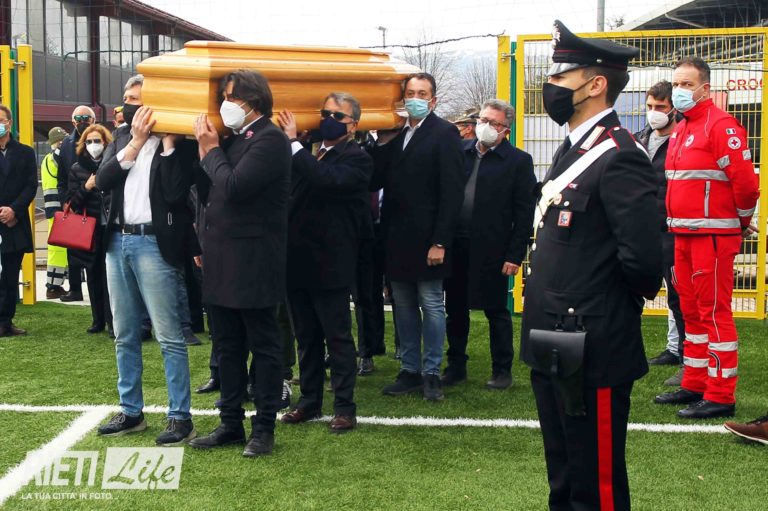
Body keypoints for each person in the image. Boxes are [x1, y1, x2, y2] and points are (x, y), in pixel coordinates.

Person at [519, 20, 662, 511]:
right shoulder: (573, 147)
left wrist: (604, 309)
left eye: (561, 77)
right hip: (553, 334)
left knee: (595, 482)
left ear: (596, 83)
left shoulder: (620, 155)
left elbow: (643, 258)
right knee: (563, 471)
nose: (551, 86)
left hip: (591, 341)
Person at [188, 70, 290, 457]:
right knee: (227, 346)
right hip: (220, 258)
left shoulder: (270, 140)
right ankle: (230, 422)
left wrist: (210, 150)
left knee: (263, 346)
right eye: (223, 97)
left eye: (231, 97)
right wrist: (200, 150)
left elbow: (234, 187)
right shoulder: (232, 140)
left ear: (254, 100)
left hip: (254, 261)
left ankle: (263, 428)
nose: (225, 104)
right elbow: (209, 190)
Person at [654, 57, 760, 419]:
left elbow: (747, 186)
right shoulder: (682, 127)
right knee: (690, 311)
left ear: (705, 89)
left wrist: (739, 221)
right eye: (676, 84)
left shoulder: (721, 126)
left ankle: (720, 393)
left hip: (711, 236)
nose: (679, 91)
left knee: (714, 313)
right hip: (682, 234)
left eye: (686, 84)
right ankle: (695, 382)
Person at [95, 74, 195, 445]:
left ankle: (180, 417)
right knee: (125, 334)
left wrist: (167, 146)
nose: (130, 104)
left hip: (154, 243)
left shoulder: (178, 143)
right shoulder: (121, 137)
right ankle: (131, 411)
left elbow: (176, 193)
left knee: (168, 335)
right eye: (127, 97)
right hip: (117, 241)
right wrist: (136, 142)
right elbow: (102, 179)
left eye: (136, 98)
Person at [277, 92, 373, 433]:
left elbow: (327, 180)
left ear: (353, 125)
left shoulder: (358, 158)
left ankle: (344, 407)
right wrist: (298, 145)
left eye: (337, 116)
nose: (328, 119)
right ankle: (310, 401)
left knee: (337, 337)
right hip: (297, 258)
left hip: (332, 261)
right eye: (324, 113)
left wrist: (294, 144)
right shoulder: (311, 151)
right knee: (306, 336)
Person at [370, 72, 464, 401]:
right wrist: (382, 141)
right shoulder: (397, 135)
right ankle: (409, 369)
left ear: (433, 100)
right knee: (404, 306)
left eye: (422, 93)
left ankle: (432, 372)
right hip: (397, 238)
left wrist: (440, 241)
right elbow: (376, 179)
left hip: (429, 240)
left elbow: (452, 191)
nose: (415, 99)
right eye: (410, 93)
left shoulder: (445, 133)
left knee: (432, 305)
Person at [443, 99, 536, 390]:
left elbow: (524, 213)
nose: (486, 126)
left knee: (496, 310)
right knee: (455, 308)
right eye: (483, 120)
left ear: (506, 129)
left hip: (493, 249)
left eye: (494, 123)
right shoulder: (460, 151)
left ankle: (502, 370)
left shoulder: (518, 161)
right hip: (455, 244)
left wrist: (515, 255)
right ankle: (455, 366)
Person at [634, 80, 686, 387]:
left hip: (673, 229)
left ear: (673, 109)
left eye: (660, 107)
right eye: (650, 106)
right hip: (643, 228)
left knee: (679, 296)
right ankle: (671, 348)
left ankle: (688, 359)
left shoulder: (684, 138)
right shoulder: (641, 138)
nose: (654, 112)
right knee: (635, 289)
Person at [64, 124, 113, 335]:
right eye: (89, 141)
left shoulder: (112, 164)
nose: (94, 145)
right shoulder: (77, 168)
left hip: (110, 227)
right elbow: (72, 203)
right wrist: (86, 187)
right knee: (93, 274)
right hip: (89, 229)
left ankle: (112, 321)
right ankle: (97, 319)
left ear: (105, 143)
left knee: (111, 275)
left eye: (97, 141)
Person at [0, 104, 37, 337]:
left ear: (9, 123)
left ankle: (5, 321)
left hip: (15, 222)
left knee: (11, 274)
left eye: (1, 120)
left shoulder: (25, 152)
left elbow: (31, 186)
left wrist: (14, 209)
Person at [58, 105, 96, 303]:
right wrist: (65, 201)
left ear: (93, 120)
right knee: (72, 247)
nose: (82, 121)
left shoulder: (98, 139)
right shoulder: (66, 144)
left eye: (86, 117)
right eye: (79, 118)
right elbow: (61, 177)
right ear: (73, 121)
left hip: (93, 202)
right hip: (73, 203)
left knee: (93, 250)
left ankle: (94, 289)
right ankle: (75, 289)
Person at [41, 127, 69, 299]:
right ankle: (53, 286)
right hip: (60, 209)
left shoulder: (46, 159)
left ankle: (55, 284)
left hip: (53, 209)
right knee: (58, 249)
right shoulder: (57, 156)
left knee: (57, 248)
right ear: (58, 142)